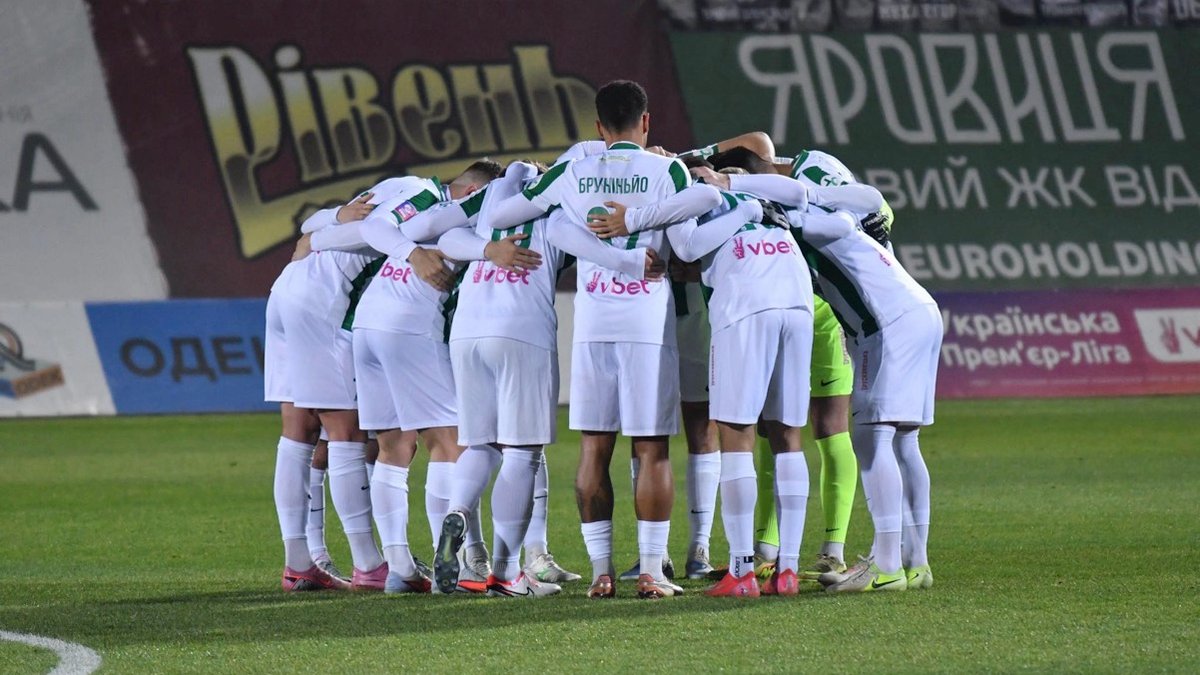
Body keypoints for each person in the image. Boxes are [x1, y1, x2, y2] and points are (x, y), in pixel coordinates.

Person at [482, 80, 697, 599]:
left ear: (598, 127)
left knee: (594, 447)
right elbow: (687, 245)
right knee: (652, 448)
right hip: (647, 321)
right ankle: (651, 571)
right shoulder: (667, 170)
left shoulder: (574, 172)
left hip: (594, 322)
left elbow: (499, 216)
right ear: (646, 122)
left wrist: (547, 210)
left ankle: (602, 571)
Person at [431, 160, 664, 597]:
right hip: (521, 330)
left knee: (480, 445)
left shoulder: (491, 200)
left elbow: (444, 236)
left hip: (467, 332)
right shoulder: (560, 205)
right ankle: (506, 573)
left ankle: (458, 511)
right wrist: (630, 260)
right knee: (522, 454)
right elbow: (576, 239)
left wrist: (487, 249)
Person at [704, 167, 938, 592]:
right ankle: (915, 561)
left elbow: (835, 199)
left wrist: (734, 186)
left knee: (872, 439)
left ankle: (886, 565)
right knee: (905, 441)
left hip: (887, 325)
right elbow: (859, 205)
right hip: (917, 310)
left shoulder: (810, 220)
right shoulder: (824, 222)